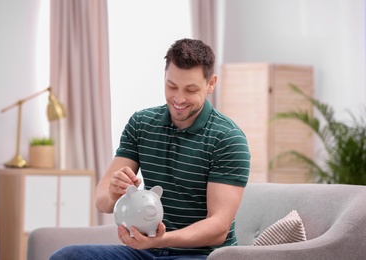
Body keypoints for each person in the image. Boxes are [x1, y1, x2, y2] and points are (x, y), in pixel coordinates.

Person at [50, 38, 250, 260]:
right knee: (68, 256)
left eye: (191, 89)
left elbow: (218, 228)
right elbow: (102, 202)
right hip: (146, 252)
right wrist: (114, 191)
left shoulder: (228, 138)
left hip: (200, 255)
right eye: (171, 86)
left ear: (211, 84)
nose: (179, 98)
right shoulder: (141, 124)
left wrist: (162, 239)